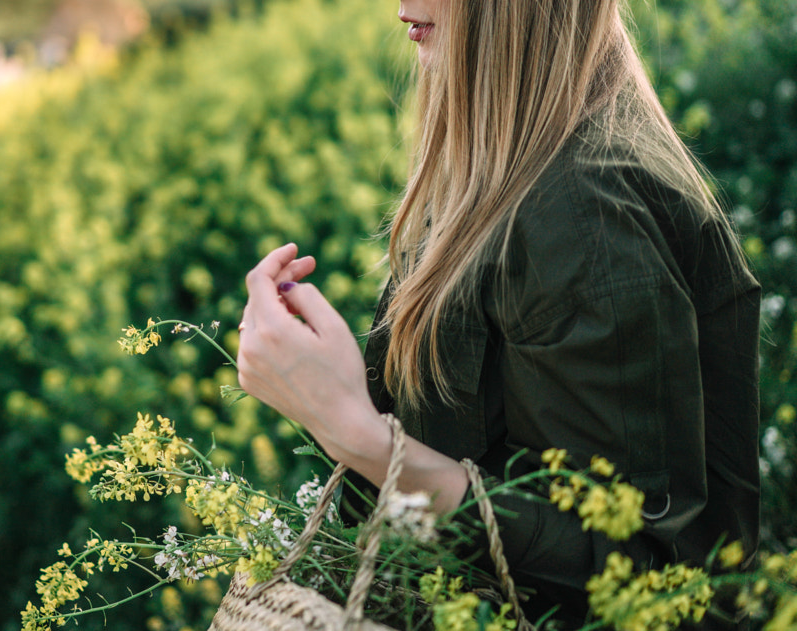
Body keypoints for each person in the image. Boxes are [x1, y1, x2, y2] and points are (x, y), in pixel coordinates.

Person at [236, 0, 761, 628]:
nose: (400, 5)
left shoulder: (585, 212)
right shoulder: (514, 168)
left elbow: (656, 585)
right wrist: (320, 377)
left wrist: (359, 435)